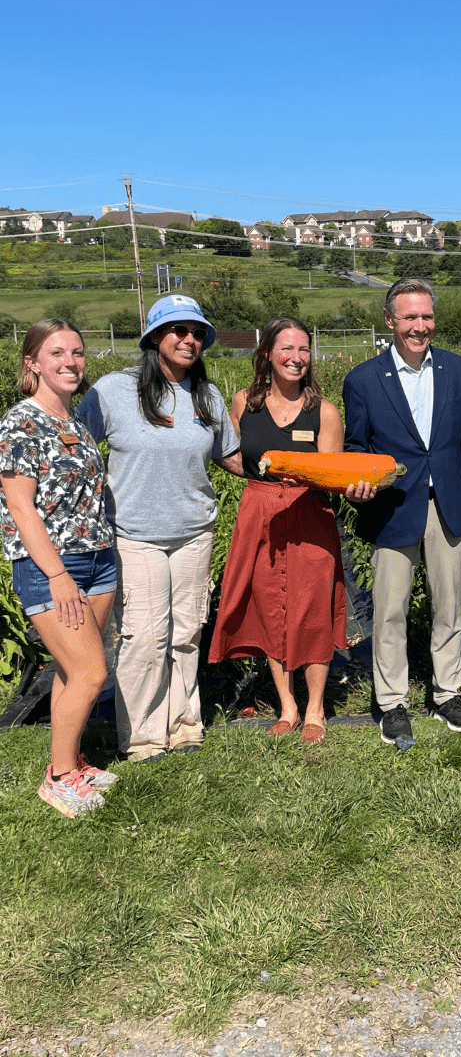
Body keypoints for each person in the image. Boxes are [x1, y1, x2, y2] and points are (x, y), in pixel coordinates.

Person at [77, 295, 242, 762]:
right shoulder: (114, 390)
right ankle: (144, 737)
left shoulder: (207, 395)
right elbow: (78, 448)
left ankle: (184, 724)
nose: (189, 340)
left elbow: (230, 455)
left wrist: (286, 471)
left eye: (197, 333)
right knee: (145, 637)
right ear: (154, 338)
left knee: (186, 632)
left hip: (194, 533)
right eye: (178, 330)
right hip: (134, 535)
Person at [342, 277, 461, 749]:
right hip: (392, 507)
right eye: (409, 317)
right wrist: (357, 487)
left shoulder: (455, 368)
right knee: (390, 611)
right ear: (390, 320)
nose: (419, 326)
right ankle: (392, 703)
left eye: (426, 316)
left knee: (449, 604)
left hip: (447, 504)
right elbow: (355, 448)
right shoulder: (363, 379)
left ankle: (448, 693)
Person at [209, 318, 347, 743]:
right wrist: (259, 480)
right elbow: (230, 453)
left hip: (310, 514)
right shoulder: (243, 402)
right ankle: (288, 707)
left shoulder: (323, 412)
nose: (296, 358)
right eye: (287, 348)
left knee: (313, 609)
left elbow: (333, 475)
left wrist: (309, 478)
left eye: (304, 349)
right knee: (270, 607)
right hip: (261, 514)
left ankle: (315, 708)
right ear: (267, 353)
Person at [0, 320, 117, 816]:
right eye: (57, 353)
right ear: (32, 362)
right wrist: (57, 575)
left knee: (73, 671)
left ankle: (71, 761)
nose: (70, 362)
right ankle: (60, 778)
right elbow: (20, 507)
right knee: (91, 672)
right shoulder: (20, 422)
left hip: (97, 560)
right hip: (53, 566)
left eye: (77, 352)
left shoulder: (74, 419)